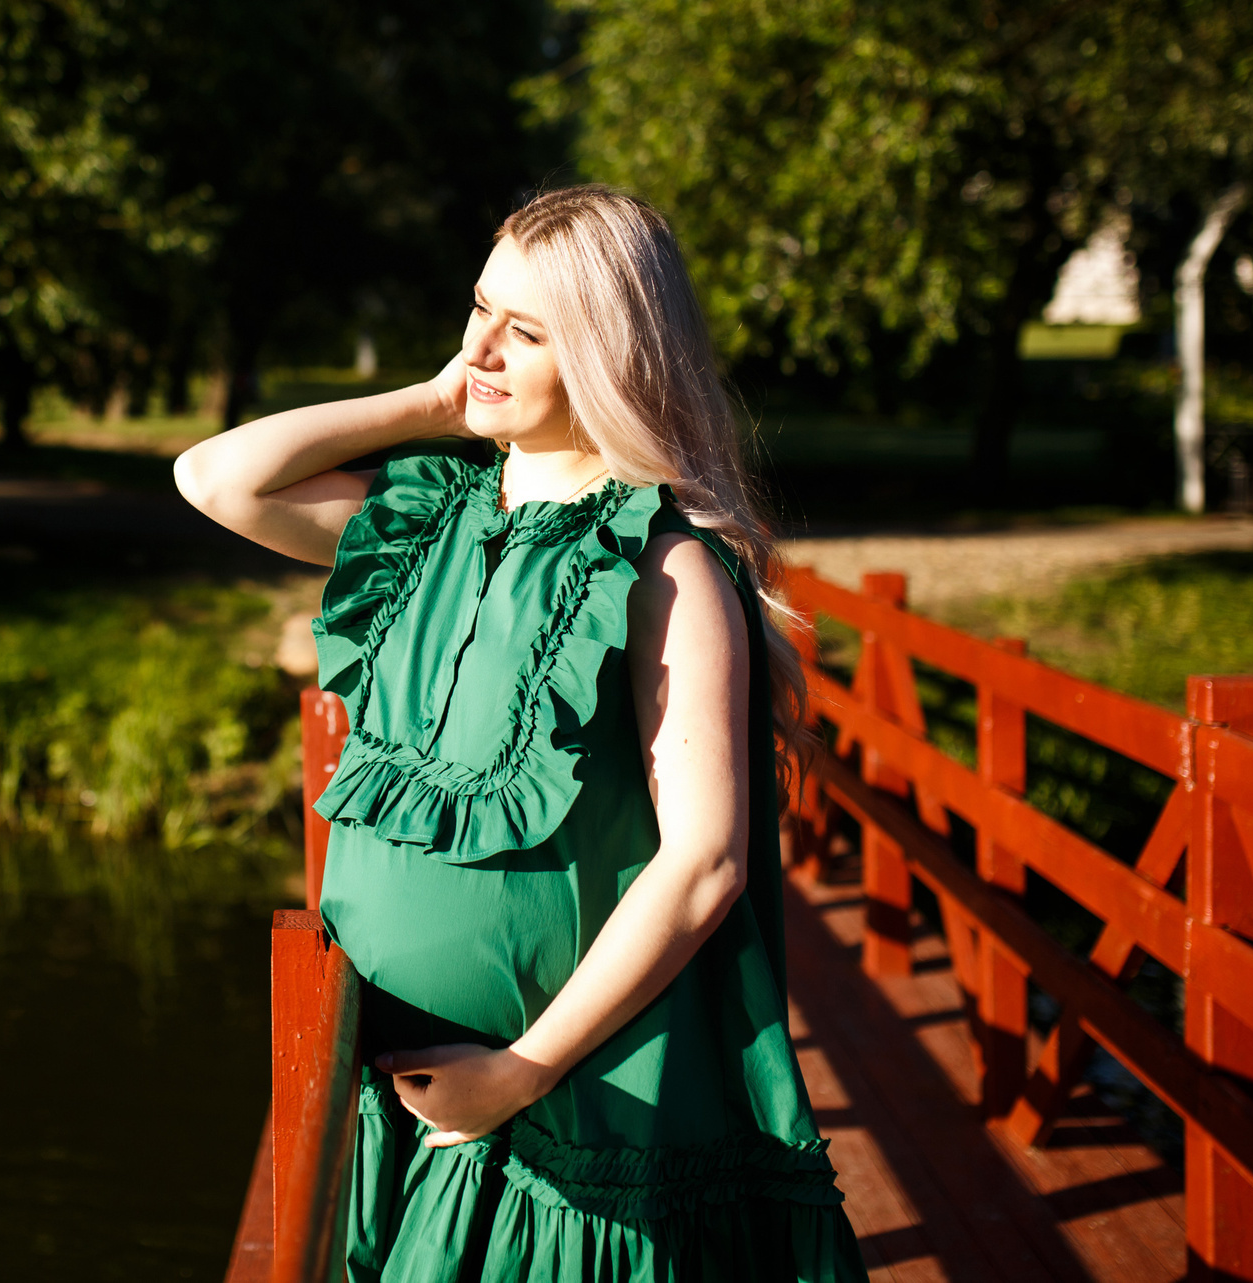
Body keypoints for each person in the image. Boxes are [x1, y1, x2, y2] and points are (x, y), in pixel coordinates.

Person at [174, 186, 864, 1281]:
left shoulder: (664, 566)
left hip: (566, 1098)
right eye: (479, 308)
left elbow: (706, 862)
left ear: (608, 356)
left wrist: (525, 1068)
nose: (482, 345)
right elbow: (213, 477)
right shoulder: (426, 518)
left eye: (527, 331)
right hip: (401, 1077)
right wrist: (438, 399)